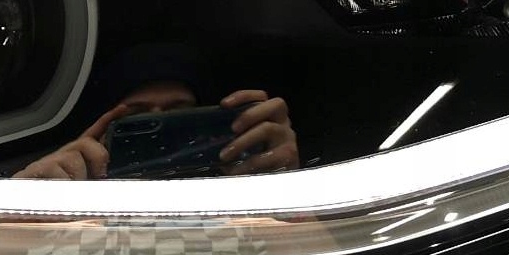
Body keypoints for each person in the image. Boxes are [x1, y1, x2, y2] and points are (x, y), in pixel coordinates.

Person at [15, 79, 300, 180]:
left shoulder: (242, 203)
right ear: (102, 130)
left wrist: (284, 195)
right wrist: (25, 212)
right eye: (137, 118)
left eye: (179, 114)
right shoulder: (67, 202)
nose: (161, 130)